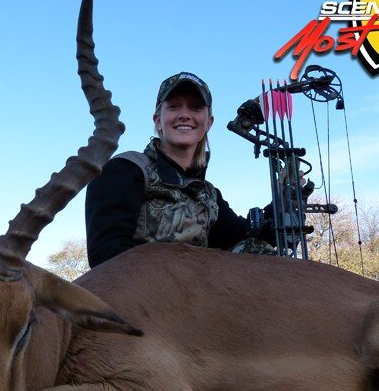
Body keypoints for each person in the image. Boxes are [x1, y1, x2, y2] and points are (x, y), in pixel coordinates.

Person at [85, 71, 276, 268]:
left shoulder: (208, 195)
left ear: (208, 122)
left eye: (195, 107)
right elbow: (106, 257)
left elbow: (248, 240)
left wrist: (285, 198)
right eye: (174, 106)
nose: (185, 115)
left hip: (200, 295)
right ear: (158, 120)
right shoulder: (124, 170)